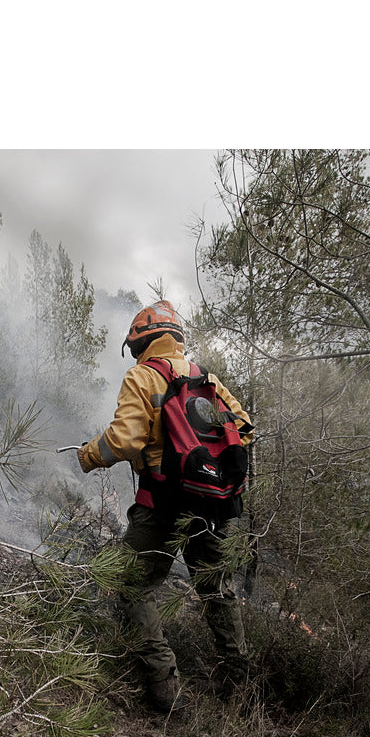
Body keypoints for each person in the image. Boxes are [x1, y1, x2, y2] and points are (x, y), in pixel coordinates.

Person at [77, 300, 255, 713]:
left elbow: (123, 441)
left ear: (140, 341)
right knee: (219, 589)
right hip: (213, 505)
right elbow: (243, 429)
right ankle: (240, 686)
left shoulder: (141, 376)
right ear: (176, 337)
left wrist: (88, 456)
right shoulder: (207, 380)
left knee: (131, 583)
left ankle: (163, 686)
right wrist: (207, 468)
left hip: (161, 504)